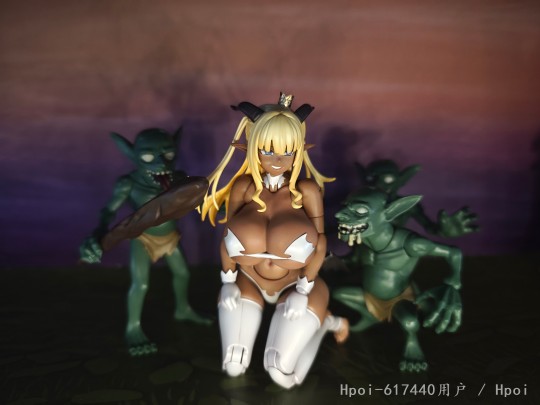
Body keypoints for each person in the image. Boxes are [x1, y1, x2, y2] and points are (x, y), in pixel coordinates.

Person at [201, 93, 348, 389]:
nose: (278, 160)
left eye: (287, 151)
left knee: (280, 373)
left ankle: (327, 322)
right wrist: (227, 281)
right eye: (268, 150)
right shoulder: (243, 188)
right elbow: (227, 237)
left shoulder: (306, 192)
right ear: (253, 147)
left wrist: (303, 290)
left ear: (298, 151)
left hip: (296, 285)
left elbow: (319, 244)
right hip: (247, 281)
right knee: (233, 365)